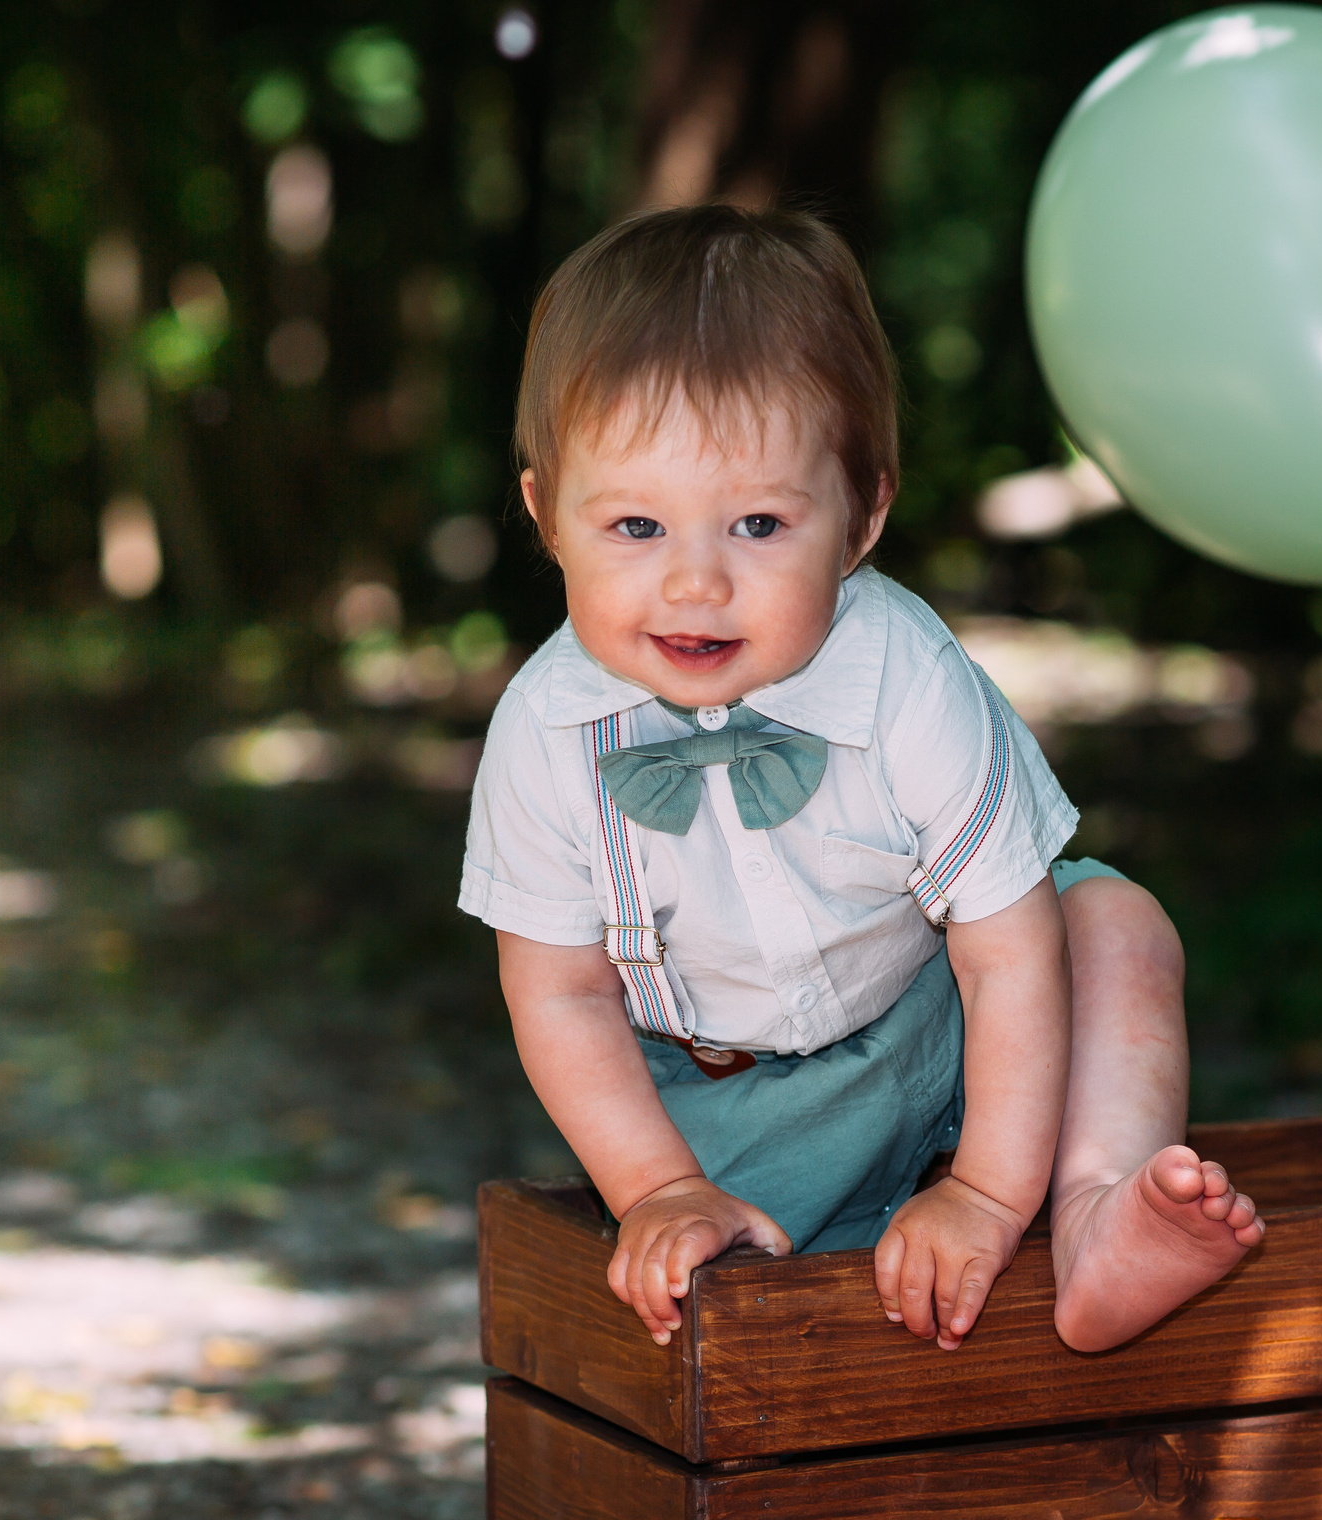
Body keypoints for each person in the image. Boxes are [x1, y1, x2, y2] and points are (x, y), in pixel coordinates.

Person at [461, 203, 1262, 1356]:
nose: (696, 584)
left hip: (941, 1024)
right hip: (719, 1105)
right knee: (694, 1265)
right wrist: (656, 1188)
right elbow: (562, 995)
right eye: (636, 525)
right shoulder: (545, 731)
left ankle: (1091, 1214)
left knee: (1116, 925)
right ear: (546, 518)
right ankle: (736, 1211)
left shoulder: (909, 678)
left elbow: (1005, 954)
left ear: (860, 517)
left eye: (756, 524)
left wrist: (988, 1192)